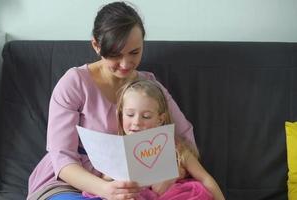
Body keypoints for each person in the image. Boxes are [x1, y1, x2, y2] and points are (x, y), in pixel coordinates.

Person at [27, 2, 198, 200]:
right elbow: (62, 158)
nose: (126, 64)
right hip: (70, 183)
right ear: (96, 46)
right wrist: (106, 190)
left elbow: (185, 139)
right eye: (116, 55)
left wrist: (175, 168)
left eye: (134, 52)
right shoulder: (75, 83)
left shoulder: (150, 87)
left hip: (132, 188)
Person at [111, 79, 225, 199]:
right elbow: (105, 180)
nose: (137, 122)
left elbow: (205, 178)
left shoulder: (175, 148)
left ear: (160, 119)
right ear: (121, 114)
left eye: (146, 116)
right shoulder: (118, 149)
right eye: (130, 114)